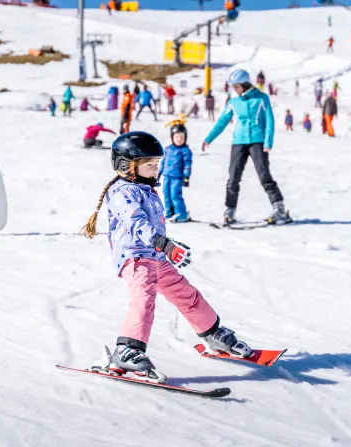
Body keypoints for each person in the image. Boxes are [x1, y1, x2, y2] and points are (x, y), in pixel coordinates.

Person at [80, 131, 252, 379]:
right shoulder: (122, 192)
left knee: (186, 293)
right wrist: (161, 241)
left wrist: (166, 247)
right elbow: (136, 222)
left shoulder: (145, 188)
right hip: (135, 257)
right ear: (126, 166)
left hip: (156, 257)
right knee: (144, 298)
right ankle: (127, 350)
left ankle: (211, 332)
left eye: (157, 164)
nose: (155, 169)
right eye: (150, 165)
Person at [203, 69, 291, 225]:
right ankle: (229, 210)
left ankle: (280, 209)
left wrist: (268, 142)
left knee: (264, 176)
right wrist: (209, 138)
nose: (234, 90)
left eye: (236, 86)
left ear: (244, 84)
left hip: (257, 141)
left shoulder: (261, 98)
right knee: (233, 178)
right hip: (238, 141)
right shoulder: (233, 102)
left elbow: (270, 120)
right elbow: (222, 121)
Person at [159, 124, 193, 222]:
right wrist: (158, 173)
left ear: (185, 137)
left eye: (181, 137)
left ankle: (182, 214)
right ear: (172, 137)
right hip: (167, 176)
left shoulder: (185, 151)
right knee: (166, 194)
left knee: (175, 195)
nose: (179, 139)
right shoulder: (168, 149)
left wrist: (186, 177)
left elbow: (187, 164)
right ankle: (170, 212)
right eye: (176, 137)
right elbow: (163, 162)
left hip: (177, 177)